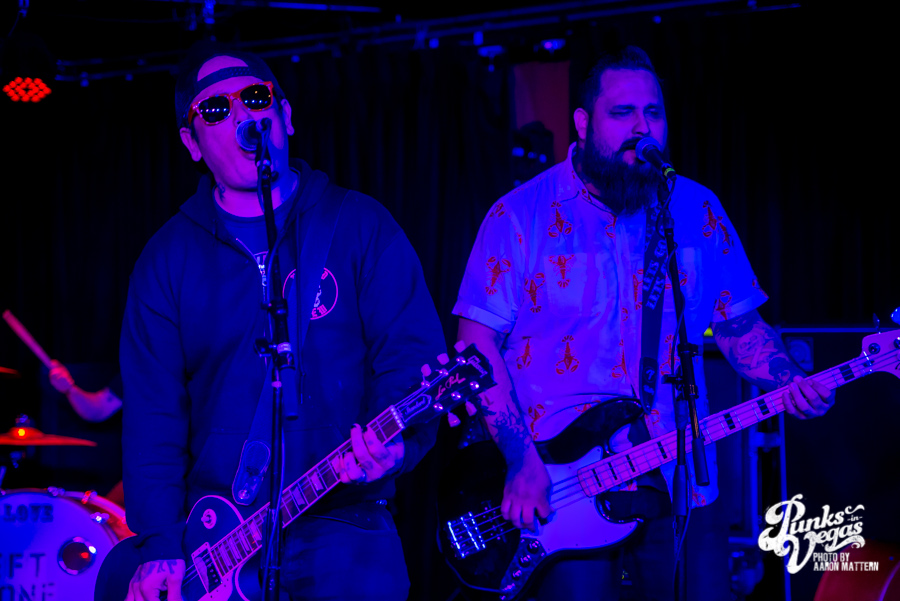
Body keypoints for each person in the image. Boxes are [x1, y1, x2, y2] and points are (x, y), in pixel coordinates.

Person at [452, 46, 834, 600]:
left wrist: (787, 378)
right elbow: (476, 346)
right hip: (560, 484)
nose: (642, 127)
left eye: (653, 113)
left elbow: (738, 326)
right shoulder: (519, 215)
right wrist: (519, 459)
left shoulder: (695, 210)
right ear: (583, 123)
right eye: (622, 112)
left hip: (679, 475)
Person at [117, 43, 444, 601]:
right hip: (217, 540)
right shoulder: (166, 259)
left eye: (254, 97)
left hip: (344, 520)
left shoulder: (360, 225)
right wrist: (160, 543)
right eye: (215, 109)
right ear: (191, 143)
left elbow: (411, 359)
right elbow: (153, 414)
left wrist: (397, 447)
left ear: (284, 115)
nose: (242, 115)